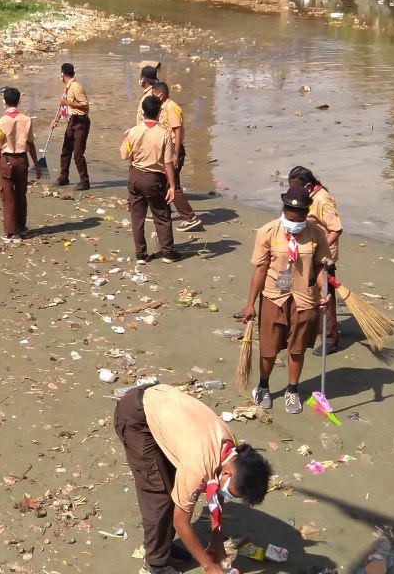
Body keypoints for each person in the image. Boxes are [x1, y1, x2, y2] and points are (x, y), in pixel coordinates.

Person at [114, 383, 273, 574]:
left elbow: (216, 494)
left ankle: (163, 546)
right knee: (159, 495)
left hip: (162, 405)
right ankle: (155, 565)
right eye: (231, 493)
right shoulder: (198, 466)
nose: (227, 495)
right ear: (228, 473)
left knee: (174, 486)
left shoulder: (230, 450)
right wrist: (209, 566)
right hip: (136, 418)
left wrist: (217, 541)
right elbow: (180, 521)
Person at [242, 184, 333, 414]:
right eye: (290, 217)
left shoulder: (316, 233)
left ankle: (292, 390)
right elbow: (261, 269)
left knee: (297, 348)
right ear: (283, 210)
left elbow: (320, 267)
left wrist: (324, 290)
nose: (294, 223)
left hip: (304, 299)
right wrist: (251, 303)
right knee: (269, 348)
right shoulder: (268, 231)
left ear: (306, 213)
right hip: (275, 297)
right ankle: (263, 386)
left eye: (299, 217)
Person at [289, 166, 344, 354]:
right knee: (308, 292)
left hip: (322, 256)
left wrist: (320, 248)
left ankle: (330, 339)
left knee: (325, 296)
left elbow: (336, 229)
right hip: (307, 252)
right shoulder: (308, 197)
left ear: (309, 185)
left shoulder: (323, 199)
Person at [136, 76, 200, 232]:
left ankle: (190, 217)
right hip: (168, 148)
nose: (151, 97)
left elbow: (177, 131)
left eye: (153, 95)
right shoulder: (164, 107)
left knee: (173, 184)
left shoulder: (171, 108)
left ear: (161, 95)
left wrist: (176, 154)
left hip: (173, 149)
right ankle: (163, 212)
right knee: (164, 182)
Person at [122, 96, 180, 264]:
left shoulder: (133, 131)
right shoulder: (164, 134)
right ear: (159, 113)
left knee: (137, 216)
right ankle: (168, 252)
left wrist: (126, 138)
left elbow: (124, 155)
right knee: (161, 215)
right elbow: (168, 162)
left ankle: (141, 254)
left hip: (135, 175)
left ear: (143, 111)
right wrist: (172, 185)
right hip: (154, 178)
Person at [0, 86, 42, 242]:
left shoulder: (0, 122)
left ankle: (11, 232)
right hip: (22, 160)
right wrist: (36, 165)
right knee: (21, 194)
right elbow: (31, 144)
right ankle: (21, 227)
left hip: (7, 161)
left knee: (8, 196)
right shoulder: (26, 119)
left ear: (4, 101)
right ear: (19, 101)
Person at [55, 63, 91, 190]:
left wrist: (68, 102)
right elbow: (64, 106)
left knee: (78, 153)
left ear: (62, 74)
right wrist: (56, 119)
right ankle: (63, 177)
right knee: (66, 150)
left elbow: (85, 105)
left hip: (80, 122)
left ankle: (84, 181)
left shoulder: (75, 86)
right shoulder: (67, 87)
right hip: (72, 121)